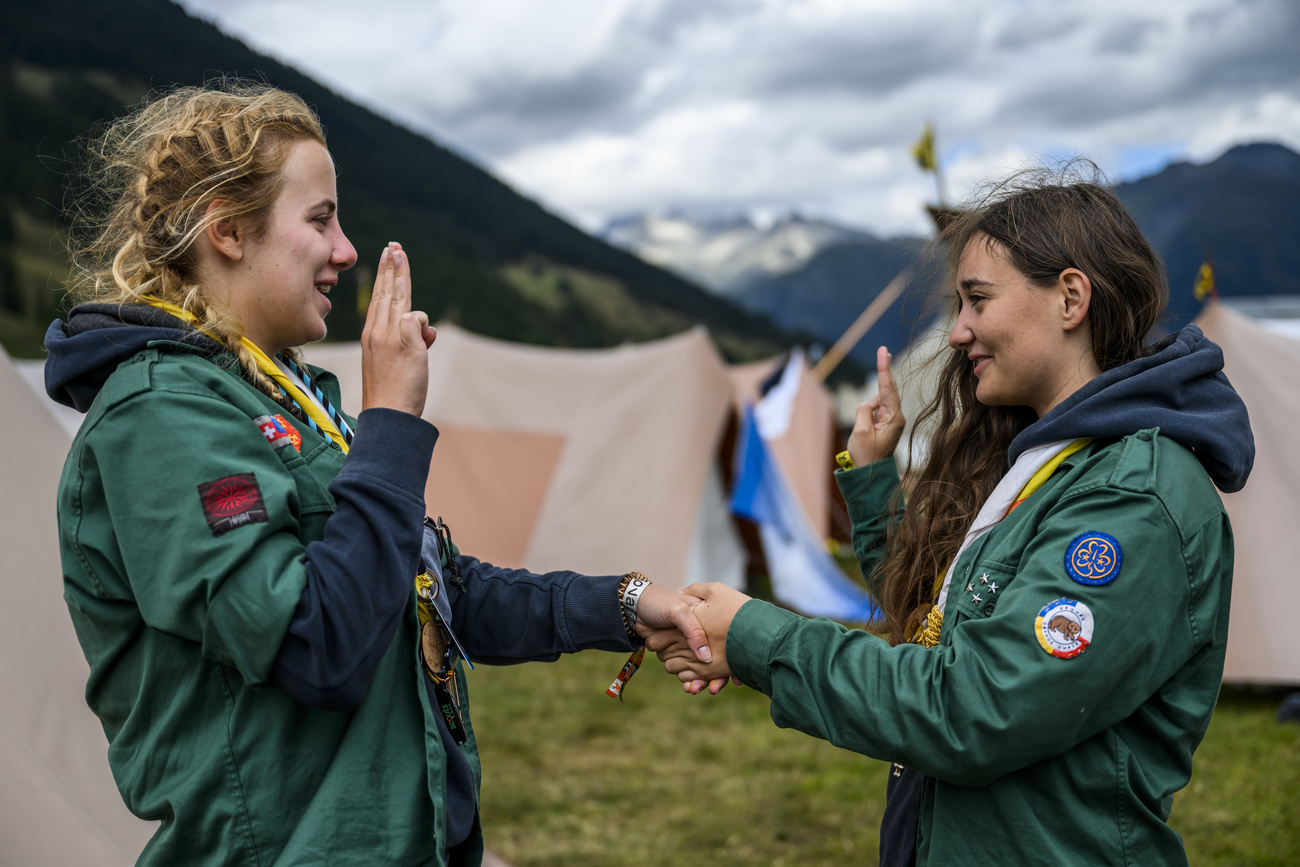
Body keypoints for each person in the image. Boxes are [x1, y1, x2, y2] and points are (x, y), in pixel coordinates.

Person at [46, 81, 713, 867]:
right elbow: (316, 644)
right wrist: (392, 419)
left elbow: (440, 591)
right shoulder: (160, 417)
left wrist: (630, 605)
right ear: (228, 230)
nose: (346, 250)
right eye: (321, 219)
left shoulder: (290, 396)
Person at [650, 170, 1254, 866]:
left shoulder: (1129, 499)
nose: (959, 330)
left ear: (1070, 297)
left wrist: (757, 635)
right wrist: (875, 484)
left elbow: (975, 709)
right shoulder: (1046, 460)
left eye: (977, 300)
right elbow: (936, 623)